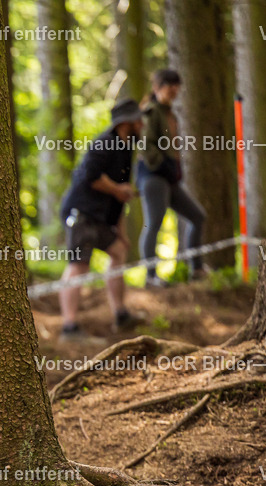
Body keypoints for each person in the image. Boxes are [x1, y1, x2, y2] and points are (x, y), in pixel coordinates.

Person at [58, 99, 148, 341]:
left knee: (118, 251)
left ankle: (121, 315)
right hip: (82, 214)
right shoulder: (105, 143)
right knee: (79, 265)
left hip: (101, 219)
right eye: (139, 119)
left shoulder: (126, 148)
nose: (142, 124)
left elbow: (120, 197)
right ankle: (69, 328)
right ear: (127, 122)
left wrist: (122, 232)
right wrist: (118, 189)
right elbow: (92, 177)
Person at [137, 68, 208, 287]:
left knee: (197, 216)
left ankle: (197, 269)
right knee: (153, 223)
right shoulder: (151, 112)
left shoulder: (170, 113)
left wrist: (173, 169)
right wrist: (162, 164)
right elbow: (144, 144)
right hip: (153, 177)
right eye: (169, 85)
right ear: (158, 87)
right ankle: (151, 276)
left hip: (169, 178)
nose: (174, 90)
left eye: (177, 86)